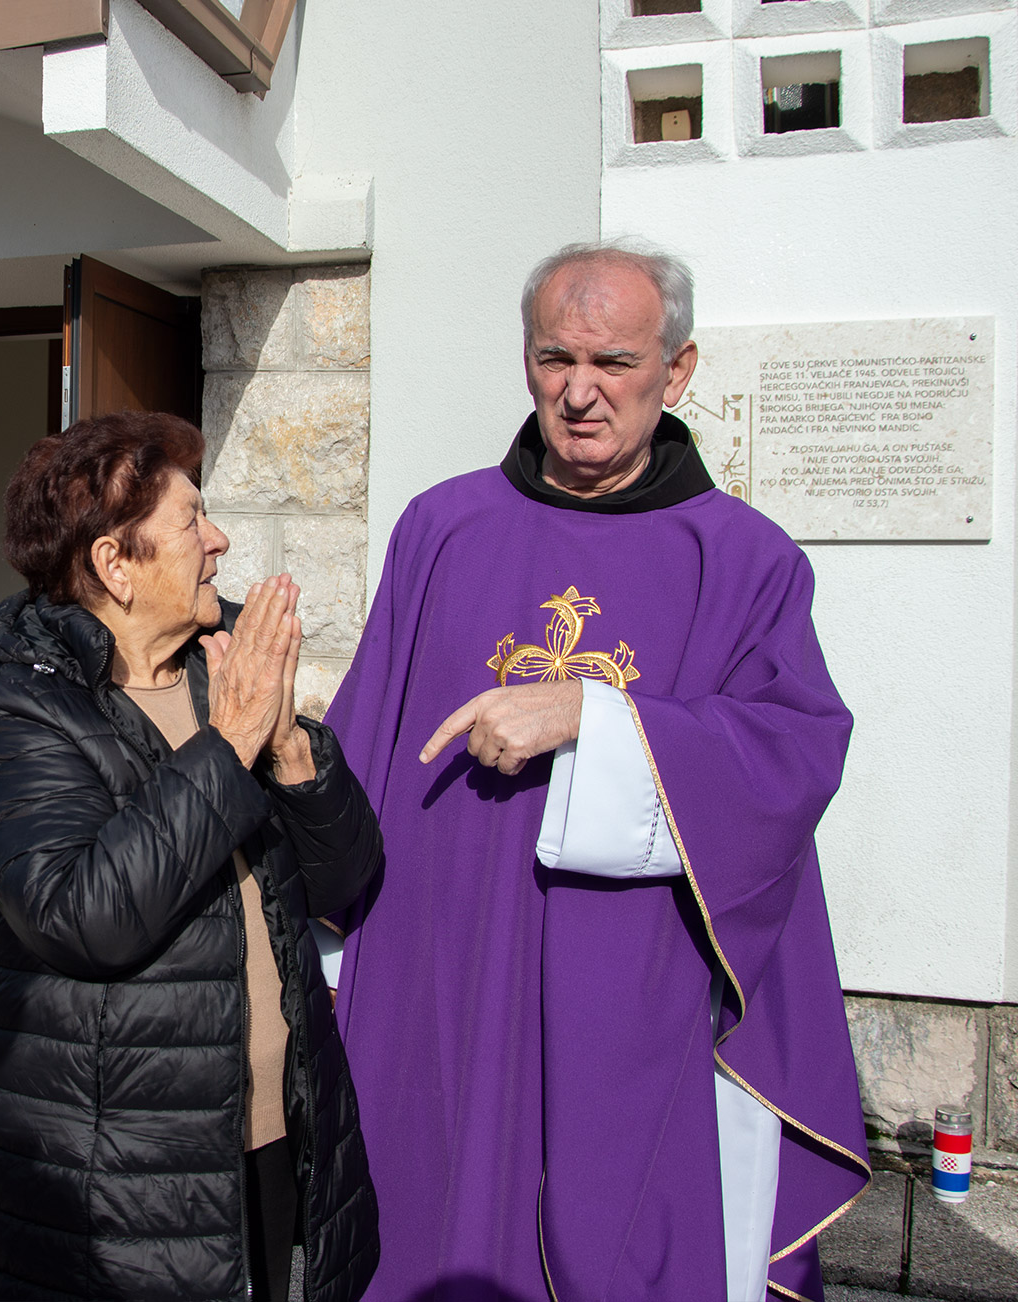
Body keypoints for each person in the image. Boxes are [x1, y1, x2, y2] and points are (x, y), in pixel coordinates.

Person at [323, 239, 870, 1301]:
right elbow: (362, 747)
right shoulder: (439, 529)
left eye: (613, 364)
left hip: (634, 995)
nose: (577, 394)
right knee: (428, 1225)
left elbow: (794, 753)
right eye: (550, 359)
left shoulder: (744, 559)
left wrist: (597, 717)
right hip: (447, 976)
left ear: (676, 371)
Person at [0, 411, 383, 1302]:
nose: (218, 540)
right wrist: (228, 744)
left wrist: (291, 752)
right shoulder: (23, 710)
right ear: (116, 564)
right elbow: (82, 917)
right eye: (191, 520)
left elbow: (346, 884)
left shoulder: (221, 666)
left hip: (264, 1135)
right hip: (116, 1175)